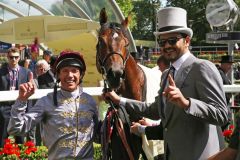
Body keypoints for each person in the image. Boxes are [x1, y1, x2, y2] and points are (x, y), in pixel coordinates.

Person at [102, 7, 229, 160]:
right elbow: (154, 110)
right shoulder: (166, 75)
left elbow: (222, 115)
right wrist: (119, 100)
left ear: (187, 40)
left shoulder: (202, 67)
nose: (167, 45)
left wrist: (187, 103)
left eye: (172, 40)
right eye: (162, 41)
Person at [7, 51, 99, 160]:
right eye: (65, 71)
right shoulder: (46, 101)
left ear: (81, 75)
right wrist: (21, 100)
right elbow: (15, 129)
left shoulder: (90, 101)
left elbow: (98, 136)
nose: (70, 75)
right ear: (58, 75)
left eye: (74, 71)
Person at [0, 47, 32, 147]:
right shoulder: (1, 72)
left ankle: (21, 156)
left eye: (16, 57)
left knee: (20, 138)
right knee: (3, 137)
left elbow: (29, 91)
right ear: (7, 57)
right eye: (11, 57)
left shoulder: (26, 72)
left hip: (20, 107)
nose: (14, 59)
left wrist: (28, 109)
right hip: (4, 108)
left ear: (19, 58)